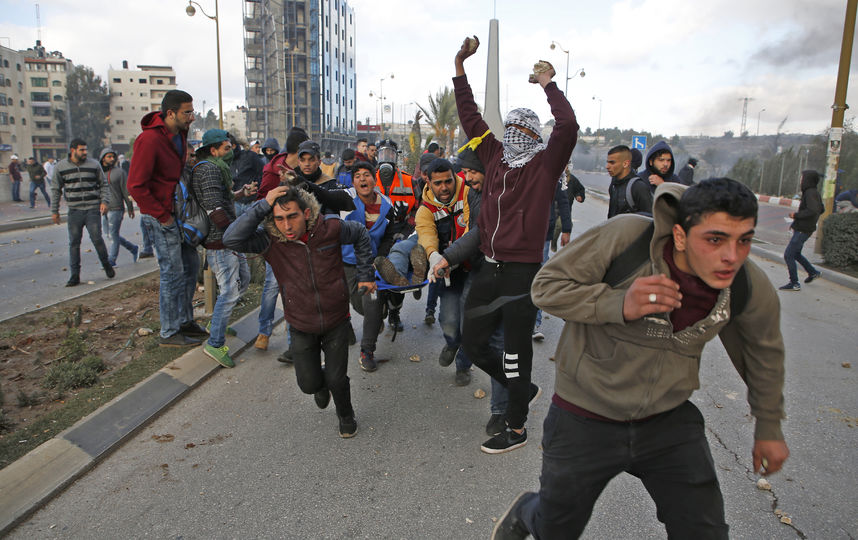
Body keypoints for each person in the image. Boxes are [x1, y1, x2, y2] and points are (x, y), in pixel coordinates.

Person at [493, 178, 790, 540]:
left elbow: (764, 353)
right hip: (585, 414)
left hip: (667, 421)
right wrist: (619, 303)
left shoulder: (743, 285)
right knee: (556, 527)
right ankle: (528, 511)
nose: (731, 256)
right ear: (680, 236)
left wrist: (769, 426)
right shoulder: (627, 239)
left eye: (744, 240)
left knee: (704, 531)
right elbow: (546, 288)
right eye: (715, 239)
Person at [453, 36, 578, 454]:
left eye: (521, 130)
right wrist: (459, 68)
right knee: (471, 341)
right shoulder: (494, 157)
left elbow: (568, 127)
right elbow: (470, 118)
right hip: (490, 267)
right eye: (509, 129)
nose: (514, 136)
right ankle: (521, 389)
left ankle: (517, 427)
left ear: (533, 133)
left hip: (524, 271)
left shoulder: (545, 164)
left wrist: (547, 84)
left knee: (515, 350)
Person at [223, 185, 376, 438]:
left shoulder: (329, 228)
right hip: (300, 323)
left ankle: (346, 416)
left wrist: (365, 275)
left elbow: (360, 233)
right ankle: (319, 385)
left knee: (338, 380)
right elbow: (231, 239)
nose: (287, 226)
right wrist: (263, 204)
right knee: (308, 384)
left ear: (306, 214)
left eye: (292, 216)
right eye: (280, 219)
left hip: (336, 319)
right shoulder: (270, 241)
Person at [127, 89, 206, 347]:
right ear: (170, 113)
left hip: (178, 215)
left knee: (190, 266)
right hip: (161, 217)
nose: (192, 117)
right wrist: (162, 216)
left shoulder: (179, 136)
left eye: (192, 112)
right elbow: (135, 186)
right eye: (187, 112)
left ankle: (184, 321)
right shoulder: (149, 140)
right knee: (172, 273)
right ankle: (169, 332)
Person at [192, 129, 251, 367]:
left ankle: (217, 324)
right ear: (213, 149)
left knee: (243, 279)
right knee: (229, 290)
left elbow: (223, 199)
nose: (232, 151)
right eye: (227, 148)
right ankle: (215, 343)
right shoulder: (208, 170)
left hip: (228, 239)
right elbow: (213, 208)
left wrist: (241, 193)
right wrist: (233, 233)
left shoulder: (218, 168)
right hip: (221, 242)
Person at [413, 158, 473, 385]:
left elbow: (471, 228)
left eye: (449, 181)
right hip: (446, 270)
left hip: (472, 266)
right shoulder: (425, 208)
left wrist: (454, 257)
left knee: (470, 320)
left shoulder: (468, 193)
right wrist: (434, 256)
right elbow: (426, 234)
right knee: (448, 319)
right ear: (428, 181)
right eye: (438, 183)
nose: (445, 187)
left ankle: (463, 366)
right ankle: (451, 342)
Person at [253, 126, 310, 354]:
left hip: (298, 235)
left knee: (294, 286)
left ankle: (292, 341)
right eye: (305, 153)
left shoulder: (301, 169)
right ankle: (264, 332)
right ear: (298, 150)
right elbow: (261, 202)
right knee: (274, 284)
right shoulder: (274, 170)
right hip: (275, 235)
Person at [50, 139, 114, 286]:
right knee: (74, 242)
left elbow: (103, 185)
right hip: (74, 210)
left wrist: (105, 202)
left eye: (86, 150)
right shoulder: (61, 167)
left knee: (97, 238)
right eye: (82, 150)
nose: (85, 153)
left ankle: (106, 264)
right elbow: (55, 190)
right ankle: (75, 275)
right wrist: (55, 211)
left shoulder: (94, 165)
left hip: (92, 209)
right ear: (73, 150)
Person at [374, 138, 420, 333]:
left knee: (397, 273)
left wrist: (407, 230)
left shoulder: (410, 181)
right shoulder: (368, 179)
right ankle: (380, 307)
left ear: (396, 157)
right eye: (383, 153)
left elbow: (420, 209)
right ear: (376, 156)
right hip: (376, 234)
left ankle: (395, 312)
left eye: (390, 154)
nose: (387, 158)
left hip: (401, 232)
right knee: (376, 275)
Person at [779, 170, 823, 291]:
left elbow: (813, 210)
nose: (800, 180)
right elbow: (821, 209)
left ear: (807, 179)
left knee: (788, 255)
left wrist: (796, 215)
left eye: (802, 178)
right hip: (804, 228)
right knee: (796, 253)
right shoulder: (813, 192)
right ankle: (813, 272)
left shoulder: (810, 193)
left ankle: (794, 283)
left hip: (803, 229)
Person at [99, 147, 138, 266]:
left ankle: (111, 260)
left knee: (113, 234)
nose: (111, 159)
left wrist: (130, 207)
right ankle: (132, 248)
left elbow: (125, 191)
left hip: (116, 208)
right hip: (103, 209)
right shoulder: (98, 172)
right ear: (103, 158)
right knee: (108, 234)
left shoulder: (119, 172)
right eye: (108, 157)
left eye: (113, 157)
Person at [606, 145, 652, 218]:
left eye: (612, 163)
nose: (607, 166)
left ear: (625, 164)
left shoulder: (638, 187)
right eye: (607, 162)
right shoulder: (614, 185)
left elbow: (649, 219)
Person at [230, 135, 264, 216]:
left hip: (252, 201)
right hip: (236, 203)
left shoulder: (250, 156)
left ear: (233, 146)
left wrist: (257, 189)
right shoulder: (227, 161)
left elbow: (263, 173)